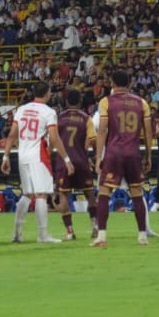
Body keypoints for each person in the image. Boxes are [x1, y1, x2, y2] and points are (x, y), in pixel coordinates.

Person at [2, 81, 74, 245]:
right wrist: (66, 159)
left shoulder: (22, 109)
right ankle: (42, 234)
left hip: (23, 155)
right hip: (38, 156)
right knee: (41, 194)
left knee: (27, 194)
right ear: (47, 93)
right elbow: (54, 138)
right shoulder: (48, 112)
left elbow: (12, 135)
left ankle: (17, 233)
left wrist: (5, 157)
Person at [91, 70, 152, 247]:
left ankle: (102, 236)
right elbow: (148, 131)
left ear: (112, 84)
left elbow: (102, 130)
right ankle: (142, 235)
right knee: (136, 193)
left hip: (114, 152)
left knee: (104, 192)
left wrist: (98, 157)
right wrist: (148, 155)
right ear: (129, 84)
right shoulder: (141, 102)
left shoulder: (106, 102)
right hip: (133, 152)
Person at [52, 91, 98, 242]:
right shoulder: (86, 118)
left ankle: (70, 231)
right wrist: (88, 155)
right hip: (81, 161)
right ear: (80, 101)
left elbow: (52, 139)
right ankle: (95, 227)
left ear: (66, 102)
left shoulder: (58, 118)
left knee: (64, 195)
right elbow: (92, 140)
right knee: (90, 194)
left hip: (64, 162)